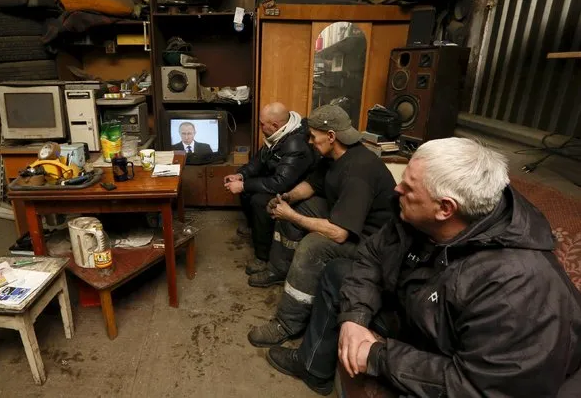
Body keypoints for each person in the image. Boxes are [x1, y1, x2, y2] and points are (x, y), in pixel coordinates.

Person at [265, 137, 581, 397]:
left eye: (409, 187)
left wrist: (377, 356)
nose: (397, 189)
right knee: (338, 272)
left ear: (445, 208)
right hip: (420, 309)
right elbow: (372, 256)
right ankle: (314, 368)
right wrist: (355, 318)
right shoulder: (415, 216)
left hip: (459, 356)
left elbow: (480, 388)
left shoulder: (520, 289)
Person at [247, 104, 396, 350]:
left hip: (371, 244)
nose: (310, 141)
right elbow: (312, 185)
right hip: (347, 222)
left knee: (313, 246)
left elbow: (339, 233)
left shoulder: (359, 169)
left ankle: (287, 323)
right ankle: (279, 268)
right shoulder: (332, 156)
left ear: (331, 136)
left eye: (313, 137)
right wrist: (287, 199)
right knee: (300, 207)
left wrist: (292, 216)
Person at [224, 102, 315, 275]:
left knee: (259, 201)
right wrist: (241, 176)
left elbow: (281, 183)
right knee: (247, 188)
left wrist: (243, 186)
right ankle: (254, 227)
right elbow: (258, 161)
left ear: (275, 125)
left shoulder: (295, 144)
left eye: (261, 124)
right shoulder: (278, 134)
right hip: (279, 180)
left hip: (294, 189)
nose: (259, 127)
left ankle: (263, 258)